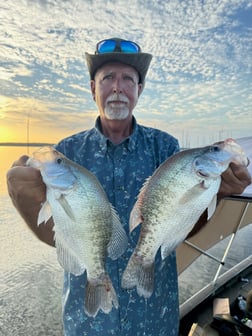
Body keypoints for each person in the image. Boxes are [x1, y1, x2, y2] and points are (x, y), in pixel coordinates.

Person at [7, 38, 251, 336]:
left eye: (128, 79)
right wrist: (25, 202)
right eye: (108, 77)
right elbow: (59, 236)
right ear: (93, 88)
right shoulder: (65, 152)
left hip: (154, 317)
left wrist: (221, 192)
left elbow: (180, 224)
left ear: (139, 90)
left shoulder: (167, 148)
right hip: (88, 322)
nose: (118, 88)